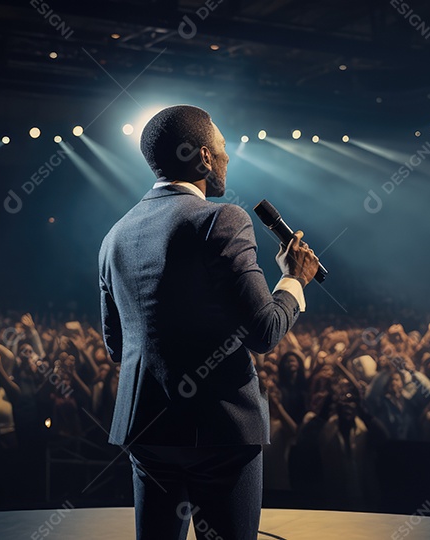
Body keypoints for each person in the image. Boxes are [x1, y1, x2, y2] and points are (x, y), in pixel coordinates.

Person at [99, 105, 320, 540]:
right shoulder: (221, 218)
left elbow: (115, 346)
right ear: (202, 156)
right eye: (222, 149)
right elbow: (264, 331)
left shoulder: (115, 235)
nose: (227, 158)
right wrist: (294, 279)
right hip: (220, 431)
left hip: (146, 428)